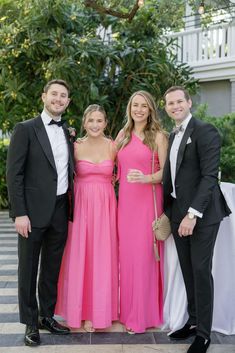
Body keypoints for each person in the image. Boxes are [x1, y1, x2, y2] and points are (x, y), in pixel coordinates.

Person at [162, 86, 231, 353]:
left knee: (201, 271)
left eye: (180, 101)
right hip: (179, 213)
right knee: (188, 270)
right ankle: (192, 321)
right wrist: (172, 212)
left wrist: (192, 214)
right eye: (170, 103)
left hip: (201, 214)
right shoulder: (173, 133)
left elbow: (209, 176)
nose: (175, 106)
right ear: (166, 107)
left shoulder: (205, 131)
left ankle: (204, 333)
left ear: (189, 103)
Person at [6, 79, 74, 346]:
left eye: (63, 96)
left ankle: (47, 315)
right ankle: (30, 324)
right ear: (44, 96)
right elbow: (14, 174)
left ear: (68, 102)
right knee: (28, 267)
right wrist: (19, 213)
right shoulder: (25, 129)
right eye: (54, 94)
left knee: (51, 268)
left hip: (60, 208)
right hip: (31, 213)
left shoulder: (67, 131)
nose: (58, 99)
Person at [55, 104, 118, 332]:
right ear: (84, 122)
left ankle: (98, 312)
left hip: (106, 206)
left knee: (102, 257)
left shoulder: (114, 146)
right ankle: (77, 310)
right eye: (91, 120)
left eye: (99, 121)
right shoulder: (75, 145)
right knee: (79, 255)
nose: (94, 125)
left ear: (106, 123)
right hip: (80, 206)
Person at [116, 90, 168, 334]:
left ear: (150, 110)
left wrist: (146, 177)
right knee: (126, 259)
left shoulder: (158, 136)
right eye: (135, 105)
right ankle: (126, 312)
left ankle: (141, 316)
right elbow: (107, 162)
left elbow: (167, 174)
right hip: (125, 206)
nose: (138, 109)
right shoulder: (122, 135)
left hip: (148, 202)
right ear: (130, 108)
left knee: (144, 258)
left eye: (143, 106)